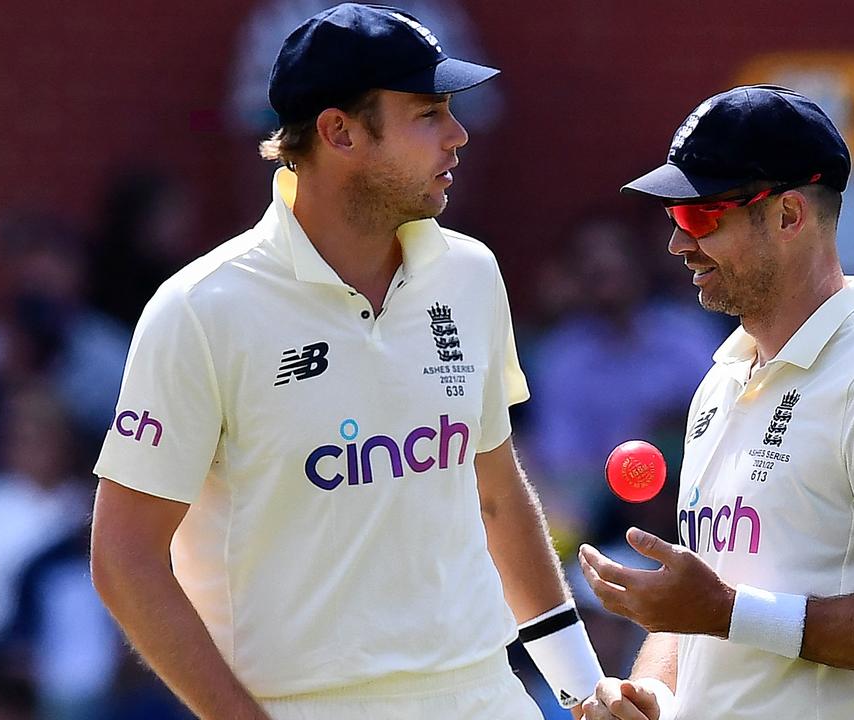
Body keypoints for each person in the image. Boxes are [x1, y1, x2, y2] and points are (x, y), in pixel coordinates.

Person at [88, 5, 602, 720]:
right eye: (428, 114)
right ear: (339, 132)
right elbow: (125, 558)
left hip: (486, 693)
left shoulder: (471, 274)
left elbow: (494, 492)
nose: (458, 136)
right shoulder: (200, 309)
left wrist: (583, 688)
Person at [576, 85, 854, 720]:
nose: (678, 244)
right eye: (674, 218)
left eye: (700, 216)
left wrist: (724, 613)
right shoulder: (722, 376)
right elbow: (701, 604)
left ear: (790, 216)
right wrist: (651, 693)